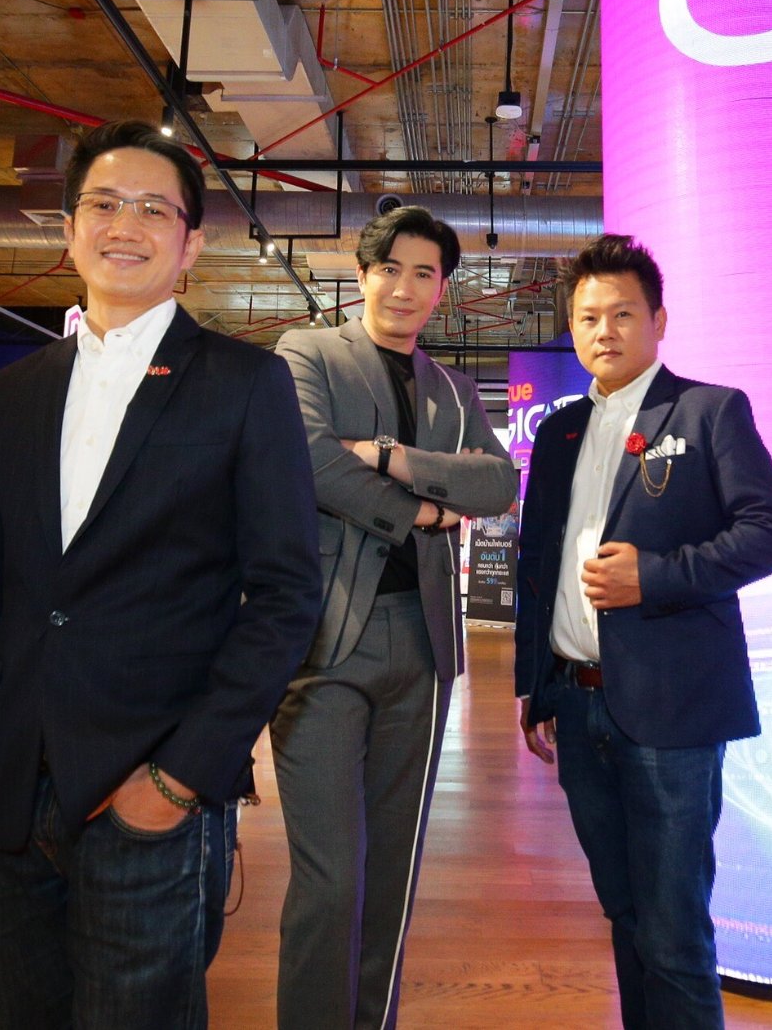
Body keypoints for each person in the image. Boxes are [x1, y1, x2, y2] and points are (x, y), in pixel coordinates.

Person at [0, 121, 323, 1030]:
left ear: (190, 245)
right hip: (9, 798)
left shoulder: (244, 382)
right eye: (105, 203)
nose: (126, 224)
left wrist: (180, 778)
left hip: (150, 793)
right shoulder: (16, 393)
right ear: (70, 229)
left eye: (155, 208)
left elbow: (285, 596)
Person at [513, 234, 772, 1030]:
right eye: (587, 317)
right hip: (577, 704)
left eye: (623, 314)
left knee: (673, 934)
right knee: (627, 914)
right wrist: (535, 685)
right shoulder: (560, 432)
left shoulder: (709, 410)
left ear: (658, 320)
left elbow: (771, 532)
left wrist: (657, 575)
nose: (604, 331)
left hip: (673, 709)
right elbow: (538, 562)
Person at [271, 206, 517, 1029]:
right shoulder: (307, 352)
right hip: (325, 640)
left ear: (442, 289)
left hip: (425, 642)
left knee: (392, 874)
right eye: (390, 269)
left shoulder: (451, 388)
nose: (404, 288)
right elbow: (308, 460)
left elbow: (498, 484)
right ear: (362, 273)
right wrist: (422, 511)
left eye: (424, 274)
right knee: (331, 878)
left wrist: (388, 457)